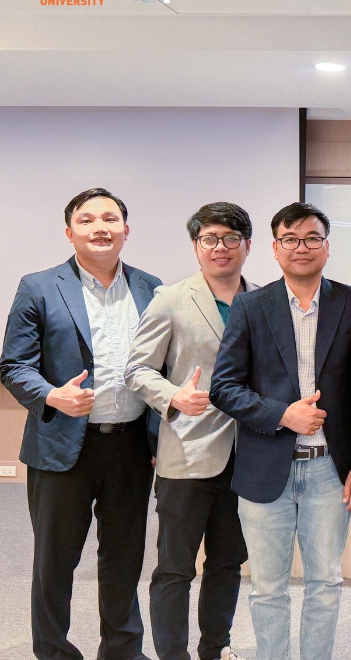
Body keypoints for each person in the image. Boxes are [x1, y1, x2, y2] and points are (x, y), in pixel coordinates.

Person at [0, 188, 161, 660]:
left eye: (110, 218)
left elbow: (162, 365)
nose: (100, 227)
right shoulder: (38, 286)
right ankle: (53, 652)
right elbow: (13, 365)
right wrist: (52, 394)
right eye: (87, 220)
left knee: (125, 558)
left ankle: (123, 650)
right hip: (62, 445)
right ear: (70, 233)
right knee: (55, 561)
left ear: (126, 231)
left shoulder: (151, 288)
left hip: (132, 445)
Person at [209, 202, 351, 660]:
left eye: (312, 238)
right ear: (276, 248)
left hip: (330, 469)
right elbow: (223, 388)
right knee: (267, 588)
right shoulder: (250, 306)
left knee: (326, 582)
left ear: (326, 246)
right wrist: (283, 414)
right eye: (291, 239)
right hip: (264, 467)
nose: (302, 247)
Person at [125, 202, 257, 660]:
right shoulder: (171, 298)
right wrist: (174, 396)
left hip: (250, 457)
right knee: (175, 568)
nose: (221, 247)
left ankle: (214, 649)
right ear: (196, 246)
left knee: (229, 562)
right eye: (210, 239)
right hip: (186, 453)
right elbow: (137, 369)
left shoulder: (265, 299)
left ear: (247, 245)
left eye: (231, 238)